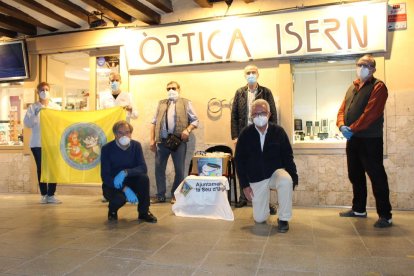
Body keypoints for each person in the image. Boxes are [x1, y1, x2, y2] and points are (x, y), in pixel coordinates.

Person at [337, 54, 392, 228]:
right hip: (353, 140)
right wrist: (341, 126)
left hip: (370, 140)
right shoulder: (351, 87)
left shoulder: (378, 87)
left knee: (377, 177)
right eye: (359, 64)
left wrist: (352, 129)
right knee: (355, 174)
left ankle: (385, 215)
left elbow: (371, 114)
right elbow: (342, 110)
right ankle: (359, 209)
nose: (362, 67)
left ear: (373, 69)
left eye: (366, 65)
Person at [235, 99, 298, 233]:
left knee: (286, 180)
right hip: (256, 177)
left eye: (262, 113)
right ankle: (268, 208)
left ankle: (283, 219)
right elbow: (239, 161)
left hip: (275, 173)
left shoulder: (278, 132)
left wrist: (293, 176)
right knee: (259, 218)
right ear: (251, 116)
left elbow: (288, 155)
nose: (259, 116)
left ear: (269, 114)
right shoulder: (245, 134)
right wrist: (245, 185)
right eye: (256, 114)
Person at [231, 64, 278, 213]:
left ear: (258, 74)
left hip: (262, 134)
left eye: (253, 72)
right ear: (244, 75)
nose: (250, 74)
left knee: (263, 166)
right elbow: (234, 116)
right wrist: (235, 136)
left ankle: (265, 201)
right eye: (248, 73)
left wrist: (271, 135)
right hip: (244, 136)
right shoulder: (239, 93)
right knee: (242, 164)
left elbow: (273, 114)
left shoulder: (266, 92)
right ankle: (243, 197)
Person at [150, 81, 199, 204]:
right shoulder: (161, 103)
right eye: (168, 89)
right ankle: (160, 195)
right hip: (162, 141)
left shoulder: (186, 102)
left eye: (173, 88)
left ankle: (176, 195)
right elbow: (154, 122)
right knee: (159, 168)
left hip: (178, 141)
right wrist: (152, 140)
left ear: (179, 89)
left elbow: (195, 120)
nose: (170, 90)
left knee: (179, 169)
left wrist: (187, 130)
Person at [101, 120, 157, 223]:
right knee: (119, 199)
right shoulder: (106, 149)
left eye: (127, 132)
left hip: (131, 180)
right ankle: (112, 210)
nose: (124, 135)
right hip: (113, 184)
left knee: (144, 178)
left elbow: (143, 167)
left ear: (130, 133)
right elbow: (105, 176)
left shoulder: (136, 146)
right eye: (120, 133)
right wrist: (124, 188)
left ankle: (144, 212)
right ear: (115, 134)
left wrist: (125, 172)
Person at [99, 72, 138, 202]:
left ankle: (125, 190)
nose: (114, 82)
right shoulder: (104, 97)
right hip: (109, 133)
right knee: (109, 163)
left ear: (120, 81)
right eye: (111, 80)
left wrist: (130, 109)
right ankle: (108, 190)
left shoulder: (128, 95)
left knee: (123, 163)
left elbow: (136, 114)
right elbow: (100, 114)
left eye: (116, 80)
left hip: (123, 136)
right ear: (108, 82)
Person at [24, 82, 62, 204]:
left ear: (49, 91)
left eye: (46, 89)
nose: (44, 92)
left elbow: (60, 124)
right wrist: (36, 114)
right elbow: (27, 124)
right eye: (42, 89)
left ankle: (51, 194)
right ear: (37, 92)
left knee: (52, 168)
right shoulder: (33, 107)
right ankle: (44, 194)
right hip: (37, 143)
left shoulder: (56, 107)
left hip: (52, 143)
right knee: (41, 168)